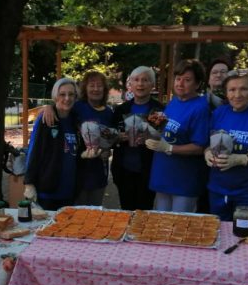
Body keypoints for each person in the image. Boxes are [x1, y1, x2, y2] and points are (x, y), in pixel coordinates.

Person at [204, 70, 248, 222]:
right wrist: (207, 152)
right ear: (226, 92)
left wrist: (242, 159)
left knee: (244, 231)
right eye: (232, 90)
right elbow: (209, 142)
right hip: (218, 187)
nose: (237, 95)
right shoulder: (218, 113)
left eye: (243, 89)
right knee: (218, 230)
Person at [42, 71, 114, 206]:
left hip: (99, 171)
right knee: (78, 212)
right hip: (78, 171)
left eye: (99, 85)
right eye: (92, 85)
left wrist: (108, 150)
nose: (96, 89)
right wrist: (48, 107)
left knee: (96, 211)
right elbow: (61, 106)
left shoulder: (109, 112)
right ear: (85, 88)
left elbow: (110, 139)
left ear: (104, 89)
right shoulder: (77, 107)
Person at [147, 59, 210, 212]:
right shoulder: (174, 102)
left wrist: (169, 148)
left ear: (197, 84)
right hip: (163, 173)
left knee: (180, 223)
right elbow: (167, 131)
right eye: (178, 78)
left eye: (187, 80)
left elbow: (199, 147)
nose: (180, 83)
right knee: (161, 222)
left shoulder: (200, 108)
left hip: (184, 179)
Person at [111, 66, 164, 210]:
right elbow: (110, 138)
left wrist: (151, 138)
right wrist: (118, 137)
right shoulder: (121, 109)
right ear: (130, 84)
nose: (140, 84)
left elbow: (164, 138)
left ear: (152, 85)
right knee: (126, 211)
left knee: (145, 212)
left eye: (145, 80)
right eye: (136, 80)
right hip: (124, 170)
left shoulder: (159, 109)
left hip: (149, 171)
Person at [24, 77, 79, 210]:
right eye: (62, 94)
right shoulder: (45, 119)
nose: (67, 98)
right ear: (55, 96)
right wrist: (29, 182)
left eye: (71, 94)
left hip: (69, 191)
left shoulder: (75, 119)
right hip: (49, 191)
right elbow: (34, 151)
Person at [197, 58, 232, 214]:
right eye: (214, 72)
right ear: (208, 79)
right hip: (200, 163)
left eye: (223, 72)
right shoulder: (200, 103)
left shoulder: (237, 103)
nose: (219, 75)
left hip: (227, 166)